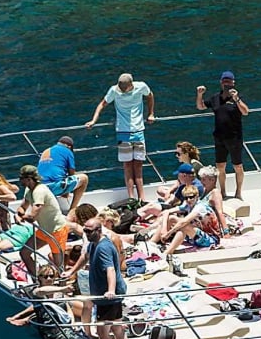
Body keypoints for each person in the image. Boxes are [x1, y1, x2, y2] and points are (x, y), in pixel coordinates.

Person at [85, 73, 156, 201]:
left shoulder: (141, 86)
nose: (122, 91)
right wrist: (93, 120)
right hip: (123, 133)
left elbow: (150, 96)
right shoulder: (114, 90)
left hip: (139, 131)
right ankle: (131, 198)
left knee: (138, 166)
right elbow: (102, 104)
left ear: (131, 85)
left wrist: (151, 113)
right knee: (127, 166)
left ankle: (142, 197)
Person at [84, 213, 129, 339]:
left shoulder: (103, 247)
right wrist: (71, 271)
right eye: (85, 231)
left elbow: (110, 269)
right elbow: (85, 257)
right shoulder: (93, 244)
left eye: (89, 232)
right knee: (114, 329)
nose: (87, 234)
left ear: (99, 230)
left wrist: (110, 290)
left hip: (110, 297)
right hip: (101, 298)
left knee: (107, 331)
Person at [197, 71, 250, 199]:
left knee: (238, 166)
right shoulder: (215, 98)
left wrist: (236, 99)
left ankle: (238, 192)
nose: (227, 84)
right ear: (221, 83)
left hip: (235, 137)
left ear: (233, 83)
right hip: (219, 137)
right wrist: (200, 95)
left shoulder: (238, 97)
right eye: (224, 81)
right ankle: (223, 192)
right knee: (220, 166)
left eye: (229, 81)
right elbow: (201, 107)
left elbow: (245, 112)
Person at [17, 164, 67, 276]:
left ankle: (61, 288)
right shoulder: (28, 190)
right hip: (44, 231)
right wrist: (19, 214)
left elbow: (32, 216)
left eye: (22, 178)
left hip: (56, 231)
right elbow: (22, 207)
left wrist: (22, 217)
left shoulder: (39, 191)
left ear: (29, 179)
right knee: (24, 253)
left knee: (59, 265)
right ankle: (38, 278)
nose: (20, 181)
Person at [160, 166, 226, 250]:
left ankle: (167, 252)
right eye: (186, 197)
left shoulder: (214, 193)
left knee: (183, 225)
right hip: (198, 226)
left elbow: (220, 212)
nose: (201, 181)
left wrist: (226, 232)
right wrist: (164, 228)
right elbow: (168, 212)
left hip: (209, 234)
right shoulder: (205, 191)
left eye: (204, 179)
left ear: (212, 180)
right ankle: (153, 242)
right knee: (173, 219)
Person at [32, 135, 89, 214]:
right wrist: (67, 192)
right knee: (84, 178)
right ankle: (72, 210)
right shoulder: (67, 151)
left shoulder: (46, 151)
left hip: (39, 188)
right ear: (69, 146)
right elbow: (71, 174)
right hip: (53, 187)